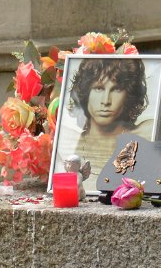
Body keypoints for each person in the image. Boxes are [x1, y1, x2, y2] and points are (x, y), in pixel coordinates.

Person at [54, 58, 154, 191]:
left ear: (128, 95)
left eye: (116, 89)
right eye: (99, 88)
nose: (106, 101)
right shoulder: (67, 142)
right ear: (86, 92)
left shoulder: (144, 135)